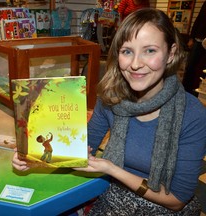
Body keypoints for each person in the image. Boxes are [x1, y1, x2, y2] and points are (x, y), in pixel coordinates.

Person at [12, 8, 206, 215]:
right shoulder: (111, 99)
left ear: (171, 54)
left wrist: (112, 169)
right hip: (114, 198)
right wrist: (32, 155)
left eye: (150, 50)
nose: (135, 64)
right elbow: (81, 148)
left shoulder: (191, 114)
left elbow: (177, 200)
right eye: (127, 51)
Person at [182, 1, 206, 96]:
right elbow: (198, 20)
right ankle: (184, 90)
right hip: (198, 39)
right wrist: (192, 38)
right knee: (190, 66)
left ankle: (197, 93)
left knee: (202, 70)